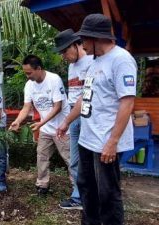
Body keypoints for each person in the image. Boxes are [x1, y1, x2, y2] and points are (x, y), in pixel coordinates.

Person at [57, 14, 137, 225]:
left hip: (105, 141)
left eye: (83, 39)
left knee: (108, 193)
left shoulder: (121, 60)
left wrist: (112, 142)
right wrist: (66, 122)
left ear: (95, 37)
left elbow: (127, 102)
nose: (82, 44)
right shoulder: (94, 62)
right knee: (86, 186)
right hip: (87, 138)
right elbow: (84, 96)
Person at [9, 55, 71, 196]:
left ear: (39, 68)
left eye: (29, 73)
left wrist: (41, 123)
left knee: (70, 158)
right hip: (45, 128)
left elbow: (58, 107)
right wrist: (18, 121)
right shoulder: (29, 85)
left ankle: (79, 188)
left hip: (63, 127)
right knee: (41, 156)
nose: (27, 76)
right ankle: (42, 185)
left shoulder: (54, 80)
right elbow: (26, 107)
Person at [54, 29, 93, 210]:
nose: (63, 56)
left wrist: (66, 121)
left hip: (86, 116)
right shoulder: (72, 65)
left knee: (90, 160)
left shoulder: (91, 62)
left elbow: (84, 97)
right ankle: (79, 197)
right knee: (75, 160)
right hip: (73, 116)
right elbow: (73, 95)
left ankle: (92, 197)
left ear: (75, 45)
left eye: (64, 51)